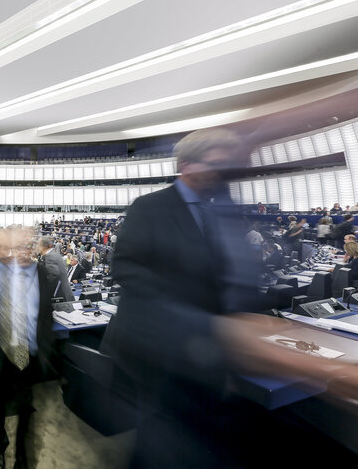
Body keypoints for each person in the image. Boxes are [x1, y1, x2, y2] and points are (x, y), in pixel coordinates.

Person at [103, 128, 358, 468]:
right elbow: (125, 270)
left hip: (216, 359)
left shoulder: (220, 211)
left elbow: (236, 283)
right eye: (215, 163)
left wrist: (260, 326)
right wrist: (205, 324)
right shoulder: (149, 207)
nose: (223, 172)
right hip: (163, 357)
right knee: (164, 445)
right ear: (186, 165)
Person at [0, 227, 58, 469]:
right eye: (15, 247)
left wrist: (45, 353)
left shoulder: (40, 272)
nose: (20, 252)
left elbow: (46, 315)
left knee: (26, 411)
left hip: (27, 354)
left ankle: (22, 459)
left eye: (26, 247)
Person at [35, 236, 73, 301]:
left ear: (44, 246)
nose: (37, 247)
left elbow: (52, 276)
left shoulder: (50, 256)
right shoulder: (54, 255)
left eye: (38, 245)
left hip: (60, 296)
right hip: (64, 294)